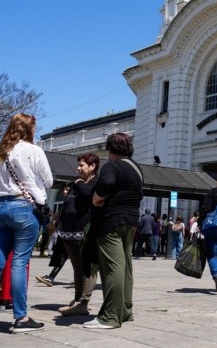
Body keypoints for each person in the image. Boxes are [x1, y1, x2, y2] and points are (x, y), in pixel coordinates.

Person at [0, 113, 53, 335]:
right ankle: (21, 317)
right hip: (23, 208)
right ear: (29, 128)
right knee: (19, 261)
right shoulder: (33, 150)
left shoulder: (0, 153)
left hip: (0, 209)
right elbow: (48, 181)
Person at [83, 133, 143, 330]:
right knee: (126, 267)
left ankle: (110, 316)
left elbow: (106, 183)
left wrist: (96, 197)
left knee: (112, 268)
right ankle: (125, 311)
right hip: (131, 221)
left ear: (111, 148)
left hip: (111, 221)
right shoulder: (136, 168)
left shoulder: (112, 166)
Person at [56, 153, 100, 317]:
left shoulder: (95, 182)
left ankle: (83, 302)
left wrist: (80, 182)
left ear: (92, 166)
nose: (78, 169)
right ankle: (77, 300)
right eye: (78, 165)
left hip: (85, 231)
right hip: (69, 232)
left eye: (82, 165)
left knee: (87, 268)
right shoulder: (76, 183)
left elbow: (88, 195)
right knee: (77, 269)